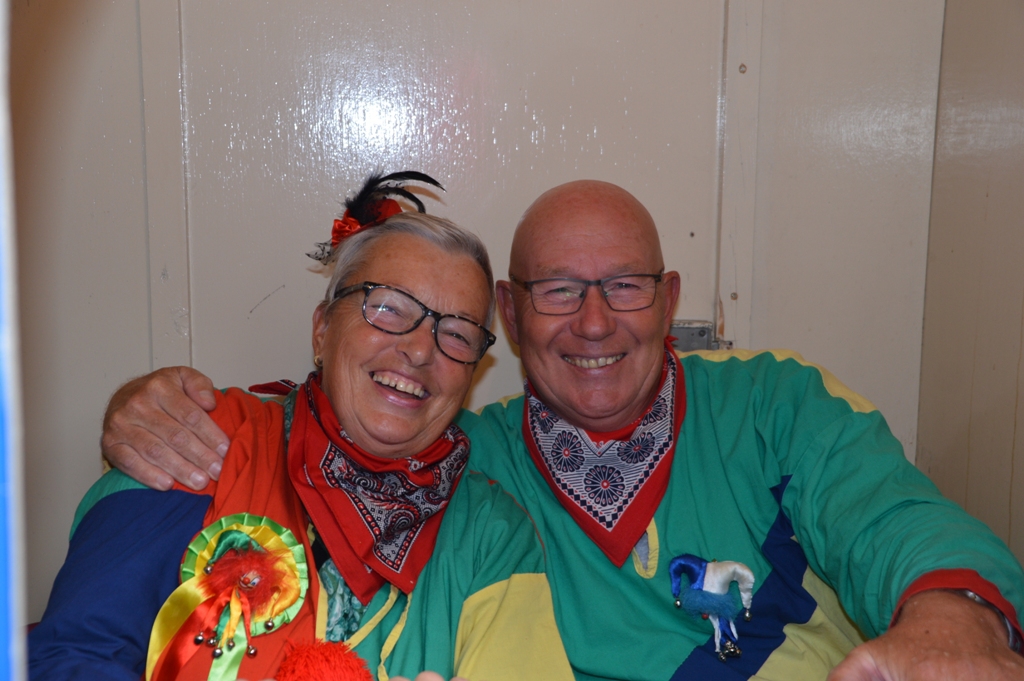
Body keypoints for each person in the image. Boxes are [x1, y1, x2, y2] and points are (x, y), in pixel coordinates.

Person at [101, 180, 1024, 680]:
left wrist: (952, 616)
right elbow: (339, 422)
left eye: (624, 285)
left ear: (668, 299)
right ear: (508, 315)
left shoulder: (772, 402)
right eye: (556, 291)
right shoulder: (468, 462)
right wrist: (157, 407)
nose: (593, 322)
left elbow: (889, 514)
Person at [29, 175, 572, 681]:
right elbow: (75, 654)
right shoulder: (196, 439)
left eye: (457, 334)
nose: (419, 350)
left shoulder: (494, 535)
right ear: (321, 329)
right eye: (388, 308)